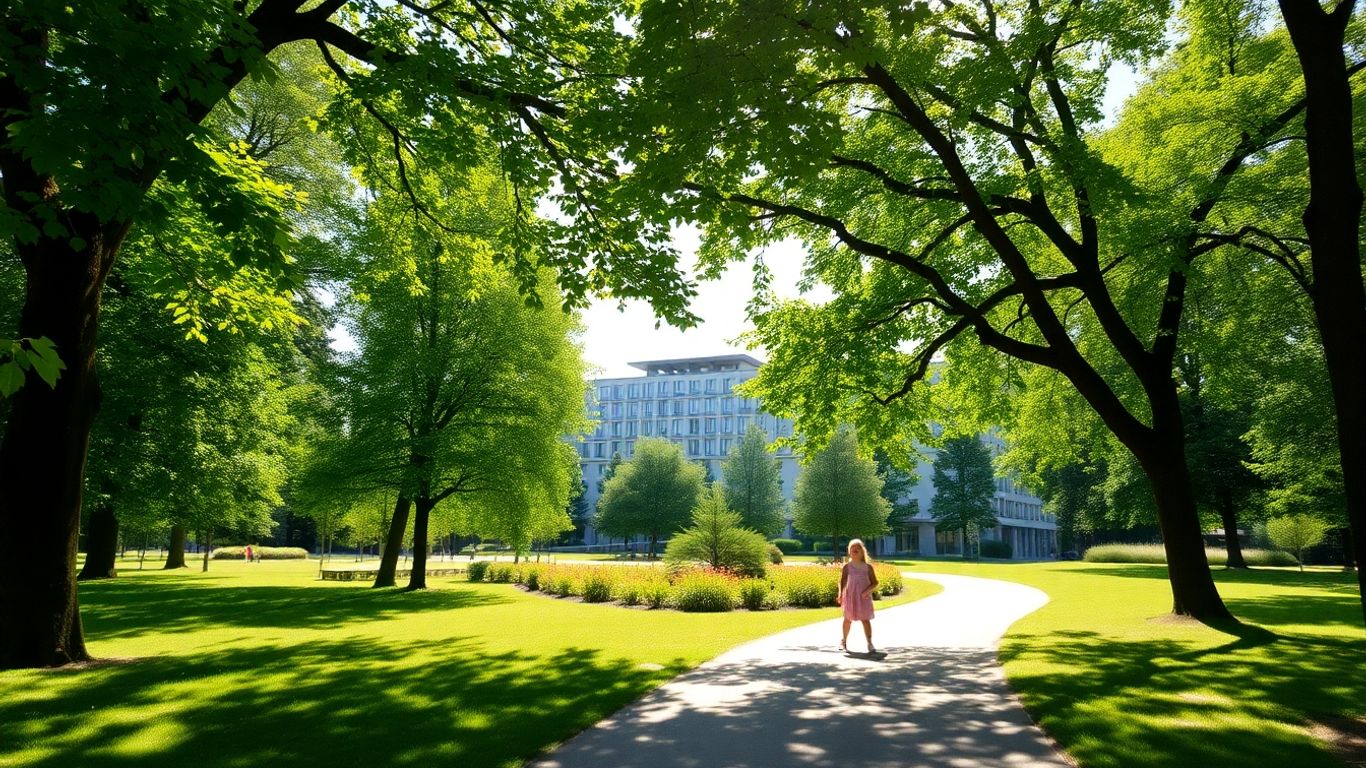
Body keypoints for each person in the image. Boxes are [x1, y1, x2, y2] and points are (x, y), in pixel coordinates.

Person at [836, 538, 879, 653]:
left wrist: (867, 591)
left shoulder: (868, 567)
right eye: (852, 548)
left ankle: (869, 643)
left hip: (863, 598)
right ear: (849, 551)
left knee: (865, 620)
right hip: (850, 596)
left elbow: (875, 582)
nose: (855, 549)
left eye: (858, 547)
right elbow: (842, 581)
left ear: (862, 551)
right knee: (847, 619)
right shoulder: (847, 567)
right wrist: (840, 594)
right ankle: (843, 641)